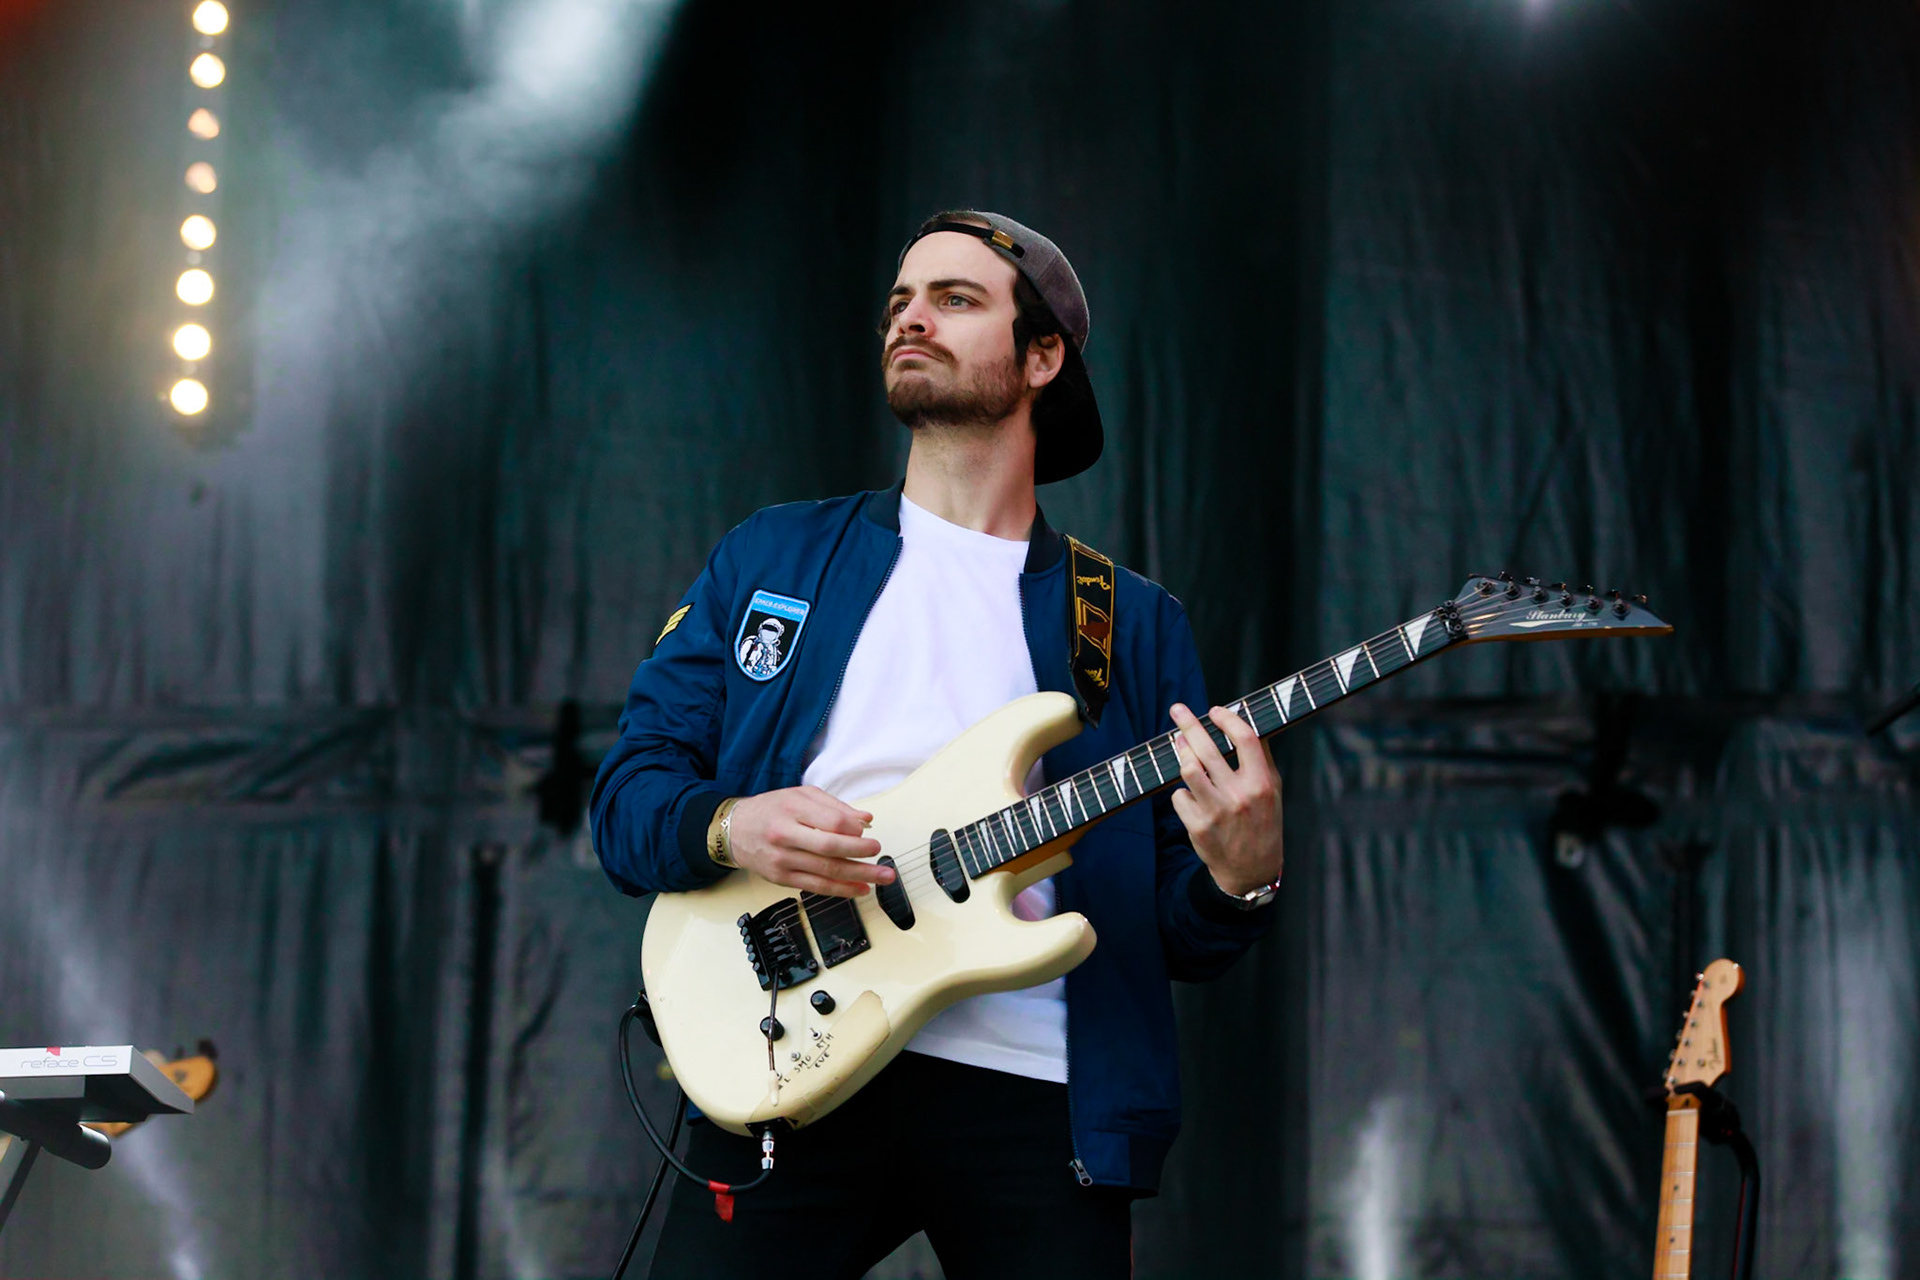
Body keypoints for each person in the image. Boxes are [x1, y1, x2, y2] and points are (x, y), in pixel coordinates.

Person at [590, 211, 1285, 1279]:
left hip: (1038, 1095)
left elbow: (1177, 931)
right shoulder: (775, 555)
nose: (910, 318)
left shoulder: (1131, 621)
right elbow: (628, 800)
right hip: (786, 1054)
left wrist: (1242, 877)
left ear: (1042, 354)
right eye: (900, 303)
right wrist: (733, 824)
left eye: (955, 299)